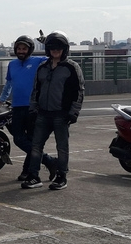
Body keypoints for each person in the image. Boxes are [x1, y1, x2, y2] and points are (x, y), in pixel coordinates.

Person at [21, 31, 85, 191]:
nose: (55, 50)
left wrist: (74, 112)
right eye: (51, 48)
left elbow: (79, 91)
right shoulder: (42, 67)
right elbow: (36, 89)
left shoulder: (72, 67)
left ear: (65, 49)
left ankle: (61, 176)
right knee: (36, 146)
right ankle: (33, 176)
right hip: (42, 113)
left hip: (61, 114)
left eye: (59, 48)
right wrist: (33, 109)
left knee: (62, 147)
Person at [0, 33, 57, 181]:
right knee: (18, 139)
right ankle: (48, 160)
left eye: (24, 48)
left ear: (29, 50)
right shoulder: (12, 64)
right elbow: (9, 84)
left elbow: (56, 58)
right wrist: (1, 101)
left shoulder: (38, 61)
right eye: (19, 48)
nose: (21, 51)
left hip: (34, 107)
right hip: (17, 107)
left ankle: (27, 171)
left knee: (32, 139)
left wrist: (47, 44)